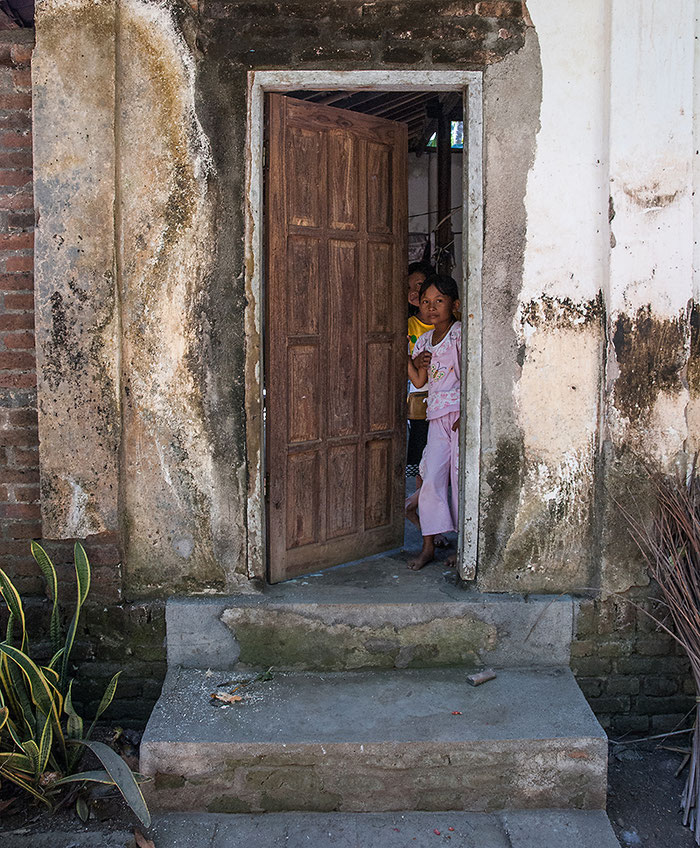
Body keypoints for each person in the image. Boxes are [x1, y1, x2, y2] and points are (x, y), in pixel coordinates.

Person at [406, 274, 461, 570]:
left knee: (460, 480)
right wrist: (412, 362)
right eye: (426, 302)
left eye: (439, 301)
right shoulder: (425, 340)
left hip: (458, 418)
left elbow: (469, 373)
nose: (431, 307)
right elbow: (419, 381)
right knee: (431, 481)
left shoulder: (459, 333)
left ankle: (464, 546)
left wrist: (466, 414)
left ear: (454, 304)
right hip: (436, 417)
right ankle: (428, 545)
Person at [406, 261, 434, 477]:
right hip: (419, 396)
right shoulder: (406, 325)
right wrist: (414, 362)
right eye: (409, 288)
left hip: (445, 397)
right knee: (418, 450)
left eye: (419, 285)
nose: (414, 292)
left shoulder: (452, 324)